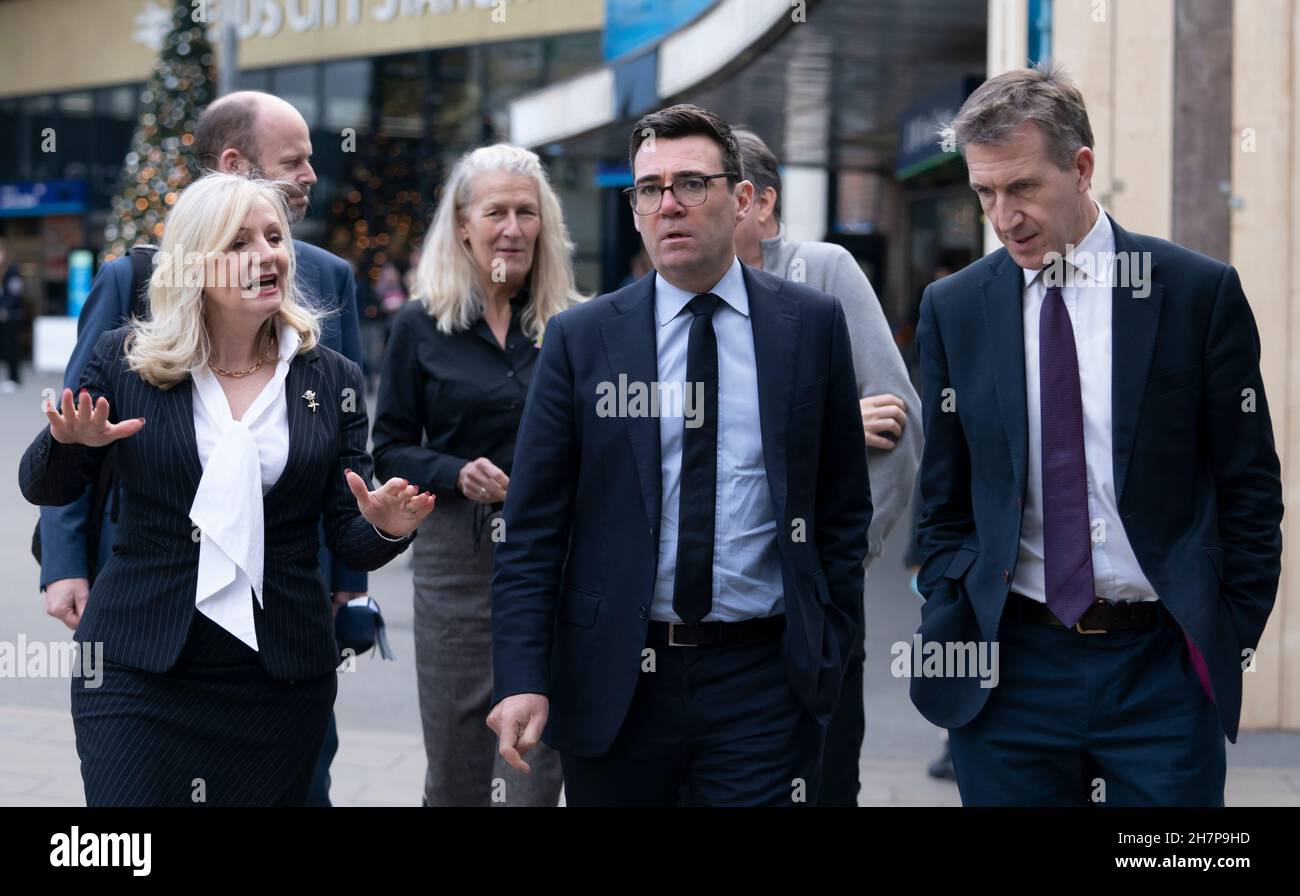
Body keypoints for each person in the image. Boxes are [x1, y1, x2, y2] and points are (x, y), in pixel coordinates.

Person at [912, 63, 1283, 806]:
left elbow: (1250, 489)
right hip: (1008, 670)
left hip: (1161, 671)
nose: (1003, 217)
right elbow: (944, 497)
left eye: (1022, 188)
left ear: (1081, 168)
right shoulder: (953, 308)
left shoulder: (1192, 293)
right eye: (985, 193)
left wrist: (1219, 635)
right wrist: (949, 606)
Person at [487, 104, 871, 806]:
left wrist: (829, 645)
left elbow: (843, 509)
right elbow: (532, 530)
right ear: (634, 208)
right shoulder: (581, 339)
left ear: (744, 198)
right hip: (616, 682)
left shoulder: (810, 326)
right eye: (649, 189)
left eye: (691, 184)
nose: (668, 205)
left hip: (763, 679)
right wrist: (520, 676)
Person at [17, 174, 433, 806]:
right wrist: (72, 442)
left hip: (278, 676)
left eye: (274, 237)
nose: (267, 254)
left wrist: (386, 527)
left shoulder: (332, 377)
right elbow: (44, 485)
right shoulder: (128, 360)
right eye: (240, 242)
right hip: (139, 666)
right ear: (194, 263)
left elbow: (344, 529)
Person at [371, 144, 580, 806]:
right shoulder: (421, 324)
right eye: (496, 212)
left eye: (527, 211)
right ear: (463, 224)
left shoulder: (573, 326)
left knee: (534, 766)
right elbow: (390, 447)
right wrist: (457, 473)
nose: (513, 228)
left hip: (554, 561)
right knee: (459, 766)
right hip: (456, 565)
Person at [733, 127, 922, 806]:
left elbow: (899, 422)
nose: (688, 207)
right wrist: (837, 424)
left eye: (712, 189)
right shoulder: (677, 295)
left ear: (761, 202)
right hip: (717, 605)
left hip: (817, 598)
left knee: (826, 774)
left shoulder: (825, 271)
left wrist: (843, 561)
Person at [0, 240, 24, 392]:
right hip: (2, 316)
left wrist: (4, 309)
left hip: (11, 316)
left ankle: (14, 378)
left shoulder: (12, 270)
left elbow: (15, 293)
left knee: (11, 347)